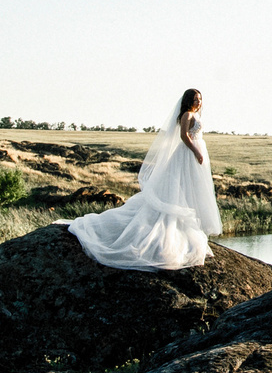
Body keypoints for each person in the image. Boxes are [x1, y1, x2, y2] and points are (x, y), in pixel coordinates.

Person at [65, 88, 221, 270]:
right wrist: (195, 151)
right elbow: (183, 136)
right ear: (188, 100)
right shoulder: (187, 114)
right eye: (195, 99)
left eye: (200, 99)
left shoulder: (195, 114)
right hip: (187, 154)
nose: (198, 102)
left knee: (192, 188)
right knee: (183, 186)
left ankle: (189, 228)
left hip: (195, 152)